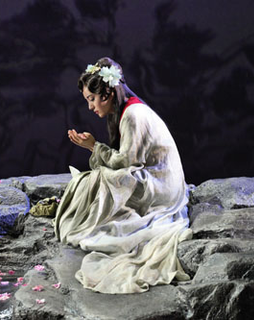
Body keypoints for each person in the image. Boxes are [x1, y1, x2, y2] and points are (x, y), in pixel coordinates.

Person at [53, 57, 192, 294]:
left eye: (91, 99)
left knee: (98, 180)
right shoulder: (127, 111)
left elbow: (127, 162)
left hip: (162, 186)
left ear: (106, 94)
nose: (90, 107)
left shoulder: (133, 114)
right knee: (94, 179)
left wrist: (94, 147)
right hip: (155, 179)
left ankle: (84, 225)